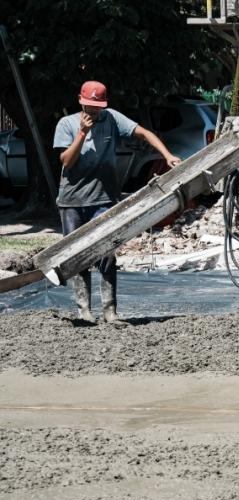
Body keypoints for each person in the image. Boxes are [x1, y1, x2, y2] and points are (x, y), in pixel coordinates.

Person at [53, 80, 182, 322]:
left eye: (97, 106)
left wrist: (167, 156)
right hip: (73, 200)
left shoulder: (112, 119)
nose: (93, 111)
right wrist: (82, 133)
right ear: (80, 102)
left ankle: (110, 310)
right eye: (89, 106)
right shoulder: (67, 124)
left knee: (107, 252)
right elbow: (67, 161)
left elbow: (143, 133)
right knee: (77, 255)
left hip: (104, 198)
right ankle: (84, 311)